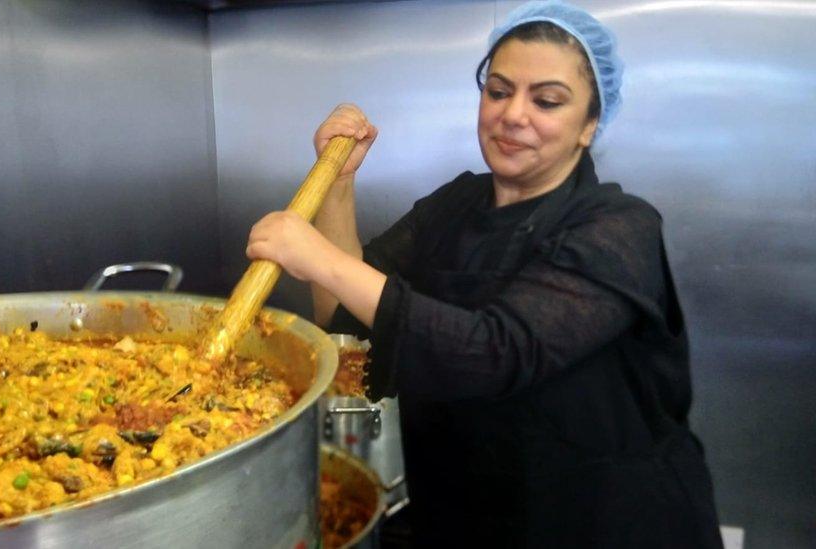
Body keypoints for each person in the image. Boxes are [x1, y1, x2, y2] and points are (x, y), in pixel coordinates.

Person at [245, 1, 724, 547]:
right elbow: (344, 322)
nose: (513, 114)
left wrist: (319, 257)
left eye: (546, 100)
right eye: (498, 91)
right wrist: (337, 185)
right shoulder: (453, 206)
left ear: (590, 125)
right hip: (465, 514)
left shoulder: (619, 228)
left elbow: (496, 353)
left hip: (604, 521)